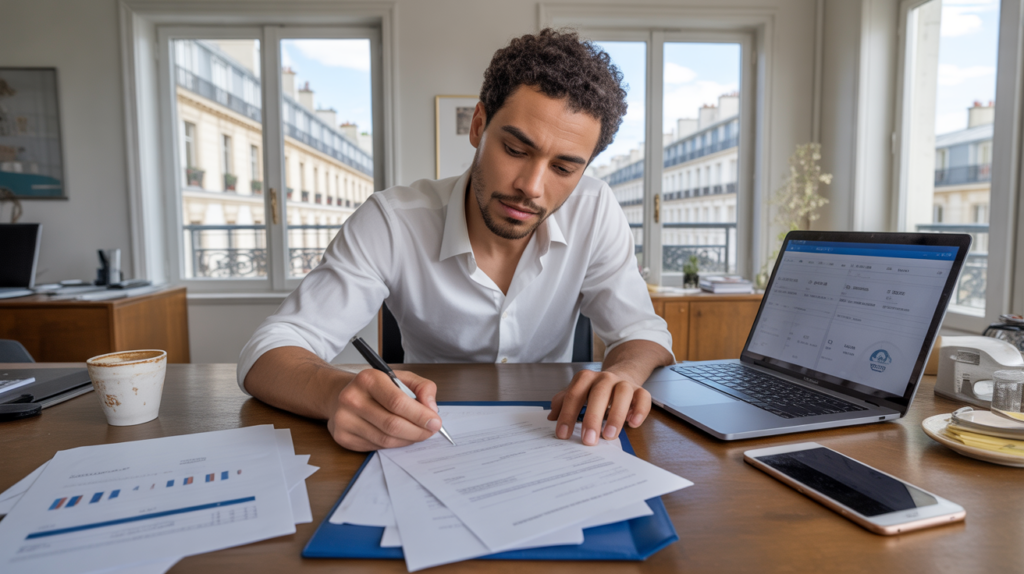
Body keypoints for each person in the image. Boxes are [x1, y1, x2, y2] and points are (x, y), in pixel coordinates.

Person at [239, 28, 674, 452]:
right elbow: (270, 351)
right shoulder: (392, 221)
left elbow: (641, 331)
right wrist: (335, 391)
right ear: (479, 126)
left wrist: (625, 374)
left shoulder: (596, 210)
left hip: (552, 439)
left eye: (563, 169)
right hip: (422, 439)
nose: (532, 187)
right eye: (516, 150)